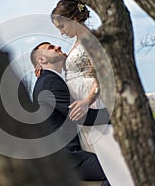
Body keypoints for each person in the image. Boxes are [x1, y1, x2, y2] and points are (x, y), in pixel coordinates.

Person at [49, 0, 135, 186]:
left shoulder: (92, 40)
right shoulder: (78, 42)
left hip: (90, 102)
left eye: (62, 26)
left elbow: (104, 77)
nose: (61, 32)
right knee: (99, 160)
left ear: (73, 18)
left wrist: (87, 101)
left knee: (109, 156)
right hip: (78, 106)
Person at [31, 42, 110, 185]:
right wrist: (116, 116)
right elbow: (79, 115)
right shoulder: (49, 82)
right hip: (66, 158)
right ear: (41, 60)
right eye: (50, 48)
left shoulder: (47, 81)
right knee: (115, 171)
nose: (58, 47)